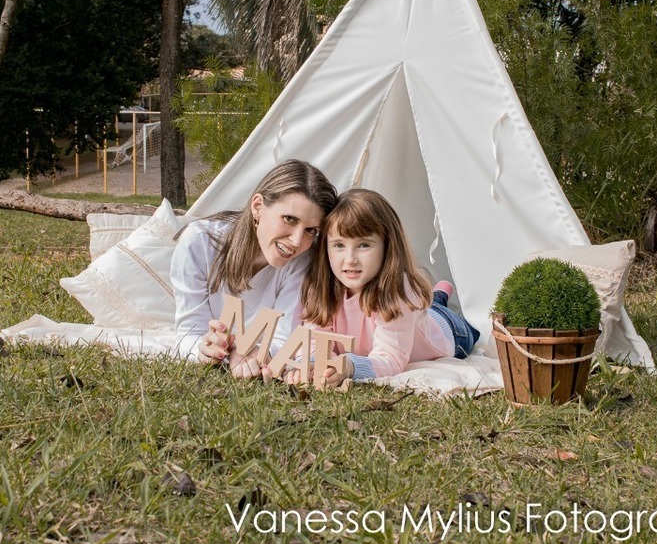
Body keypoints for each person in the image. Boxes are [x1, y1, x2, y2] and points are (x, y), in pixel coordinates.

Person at [297, 188, 480, 387]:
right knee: (428, 304)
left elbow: (390, 359)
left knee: (461, 322)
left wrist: (349, 366)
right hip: (416, 314)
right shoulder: (321, 287)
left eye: (364, 245)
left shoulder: (396, 291)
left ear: (387, 246)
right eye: (339, 245)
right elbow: (315, 341)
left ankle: (440, 296)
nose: (350, 259)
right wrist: (314, 364)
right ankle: (438, 294)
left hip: (448, 332)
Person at [172, 160, 338, 378]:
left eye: (311, 230)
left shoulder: (304, 257)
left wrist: (261, 354)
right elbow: (188, 333)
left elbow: (285, 338)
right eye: (289, 219)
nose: (297, 241)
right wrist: (202, 350)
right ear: (258, 207)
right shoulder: (199, 242)